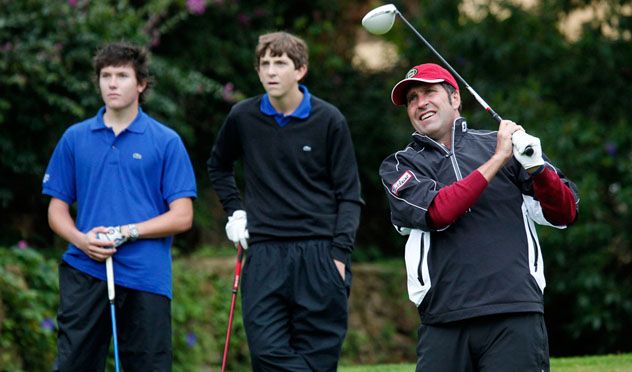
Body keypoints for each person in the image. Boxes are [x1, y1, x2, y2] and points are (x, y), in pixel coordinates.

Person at [379, 63, 579, 372]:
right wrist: (499, 158)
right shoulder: (401, 165)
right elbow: (438, 211)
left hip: (514, 311)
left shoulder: (504, 145)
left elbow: (564, 212)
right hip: (444, 319)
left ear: (455, 98)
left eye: (429, 92)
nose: (420, 103)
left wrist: (538, 168)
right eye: (412, 99)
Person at [207, 31, 363, 372]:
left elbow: (350, 195)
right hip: (264, 253)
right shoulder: (242, 117)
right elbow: (218, 165)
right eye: (265, 64)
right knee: (266, 355)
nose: (271, 72)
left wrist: (339, 254)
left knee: (319, 358)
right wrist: (235, 211)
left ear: (300, 70)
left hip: (320, 254)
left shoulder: (329, 119)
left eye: (280, 63)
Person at [42, 42, 197, 372]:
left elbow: (182, 216)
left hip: (146, 275)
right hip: (86, 269)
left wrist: (129, 232)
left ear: (141, 83)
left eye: (122, 75)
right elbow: (57, 209)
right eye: (105, 75)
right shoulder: (75, 137)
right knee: (72, 365)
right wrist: (81, 240)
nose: (112, 83)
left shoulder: (166, 141)